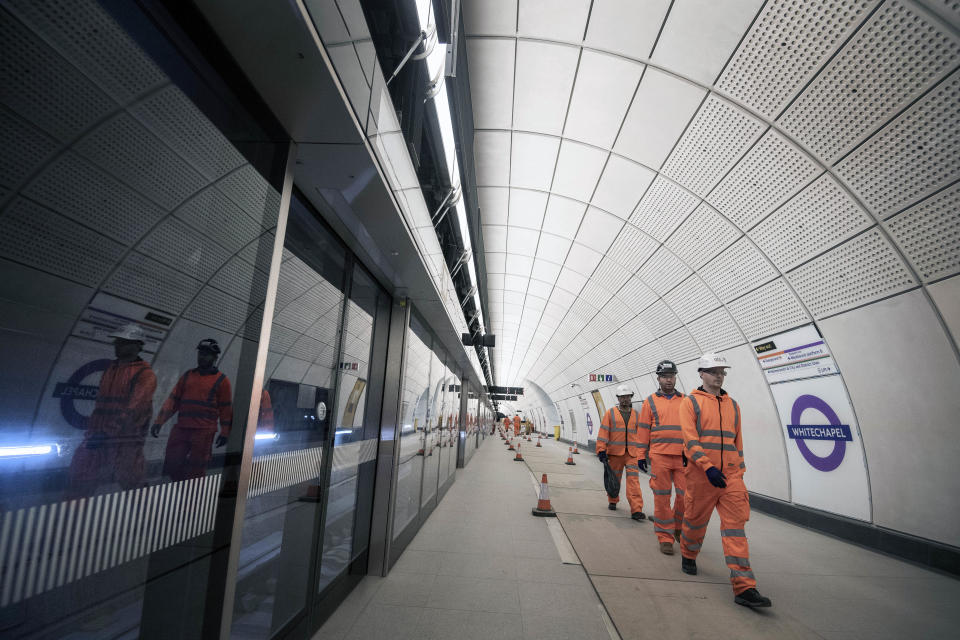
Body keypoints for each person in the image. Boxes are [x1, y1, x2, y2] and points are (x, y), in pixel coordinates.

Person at [679, 353, 772, 608]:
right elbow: (690, 441)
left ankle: (744, 587)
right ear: (701, 373)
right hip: (702, 476)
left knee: (735, 529)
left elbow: (737, 441)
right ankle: (688, 553)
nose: (718, 375)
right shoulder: (690, 403)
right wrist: (708, 468)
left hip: (730, 477)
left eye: (722, 371)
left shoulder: (733, 405)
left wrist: (739, 471)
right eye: (713, 371)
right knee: (695, 521)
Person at [67, 324, 157, 497]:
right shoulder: (112, 369)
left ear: (138, 345)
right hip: (98, 434)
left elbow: (133, 409)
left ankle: (147, 519)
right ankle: (68, 520)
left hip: (125, 439)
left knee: (133, 482)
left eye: (123, 342)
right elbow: (101, 406)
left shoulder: (145, 375)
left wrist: (107, 432)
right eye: (117, 342)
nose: (117, 345)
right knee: (81, 476)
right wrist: (95, 431)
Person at [151, 339, 233, 481]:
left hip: (204, 431)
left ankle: (193, 500)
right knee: (171, 463)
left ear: (214, 357)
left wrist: (225, 432)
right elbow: (173, 401)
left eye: (207, 354)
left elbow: (226, 409)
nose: (202, 357)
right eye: (201, 353)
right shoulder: (188, 376)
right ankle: (183, 489)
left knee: (196, 469)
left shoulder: (222, 381)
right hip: (182, 428)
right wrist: (159, 422)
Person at [640, 360, 687, 555]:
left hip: (683, 457)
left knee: (686, 497)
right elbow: (643, 430)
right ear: (658, 379)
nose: (669, 380)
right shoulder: (650, 402)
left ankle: (677, 526)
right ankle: (665, 537)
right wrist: (640, 455)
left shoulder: (686, 400)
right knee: (662, 498)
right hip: (659, 457)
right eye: (665, 377)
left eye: (672, 376)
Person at [596, 385, 647, 520]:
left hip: (632, 454)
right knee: (614, 479)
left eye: (627, 397)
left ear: (631, 398)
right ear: (618, 398)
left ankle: (636, 509)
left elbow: (641, 435)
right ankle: (613, 500)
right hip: (614, 454)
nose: (625, 399)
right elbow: (603, 432)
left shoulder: (636, 415)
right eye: (622, 397)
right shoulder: (610, 413)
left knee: (633, 482)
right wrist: (601, 450)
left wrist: (642, 453)